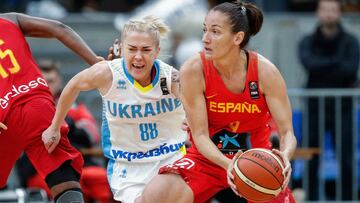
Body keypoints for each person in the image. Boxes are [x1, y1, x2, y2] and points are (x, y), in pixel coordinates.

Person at [136, 1, 298, 203]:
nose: (205, 39)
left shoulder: (266, 72)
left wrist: (284, 156)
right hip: (207, 161)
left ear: (237, 38)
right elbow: (200, 135)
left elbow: (287, 132)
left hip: (255, 161)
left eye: (215, 32)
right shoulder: (194, 69)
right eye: (205, 30)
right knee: (155, 195)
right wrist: (228, 164)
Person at [42, 16, 187, 203]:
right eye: (132, 49)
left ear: (157, 51)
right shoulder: (107, 74)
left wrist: (190, 119)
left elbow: (195, 104)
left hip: (170, 157)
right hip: (128, 164)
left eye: (146, 50)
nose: (138, 56)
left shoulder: (171, 78)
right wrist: (54, 126)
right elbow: (73, 85)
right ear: (122, 49)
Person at [0, 12, 101, 203]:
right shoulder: (9, 19)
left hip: (3, 114)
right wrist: (95, 62)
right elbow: (60, 29)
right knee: (66, 183)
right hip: (37, 105)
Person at [16, 59, 112, 203]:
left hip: (81, 165)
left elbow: (93, 135)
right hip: (42, 170)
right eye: (43, 81)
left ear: (59, 81)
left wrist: (64, 120)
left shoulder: (74, 107)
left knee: (102, 181)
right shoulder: (24, 109)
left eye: (51, 80)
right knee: (74, 189)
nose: (48, 85)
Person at [298, 0, 359, 200]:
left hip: (344, 108)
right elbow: (309, 64)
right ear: (318, 12)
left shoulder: (351, 41)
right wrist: (336, 66)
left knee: (346, 157)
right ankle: (311, 199)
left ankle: (348, 199)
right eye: (325, 9)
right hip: (315, 108)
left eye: (333, 10)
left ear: (339, 13)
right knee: (310, 157)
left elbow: (350, 69)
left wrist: (323, 67)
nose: (329, 14)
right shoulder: (307, 41)